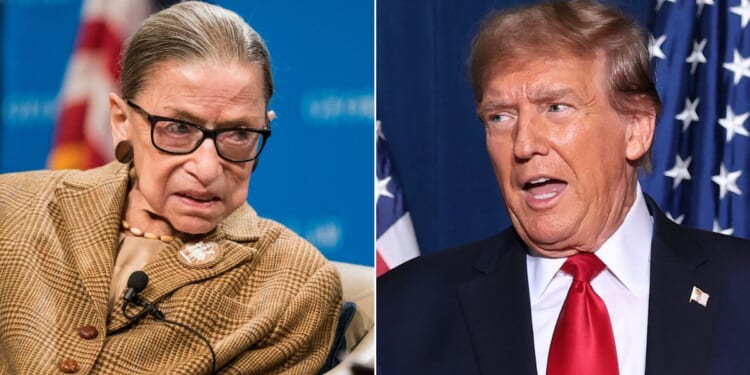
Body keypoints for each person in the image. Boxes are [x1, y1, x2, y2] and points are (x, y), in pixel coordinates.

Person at [377, 1, 750, 374]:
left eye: (555, 107)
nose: (523, 145)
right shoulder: (403, 310)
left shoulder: (740, 289)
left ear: (636, 129)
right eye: (500, 117)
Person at [0, 2, 342, 374]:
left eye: (240, 134)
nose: (208, 168)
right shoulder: (12, 210)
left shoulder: (293, 286)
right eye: (178, 128)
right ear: (120, 120)